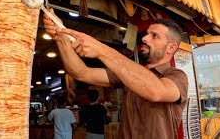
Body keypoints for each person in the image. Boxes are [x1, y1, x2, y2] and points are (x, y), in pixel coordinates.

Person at [43, 9, 188, 139]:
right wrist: (60, 37)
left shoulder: (177, 76)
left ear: (171, 48)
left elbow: (156, 91)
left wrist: (101, 50)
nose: (144, 38)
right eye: (147, 34)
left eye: (155, 36)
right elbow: (82, 73)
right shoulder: (128, 73)